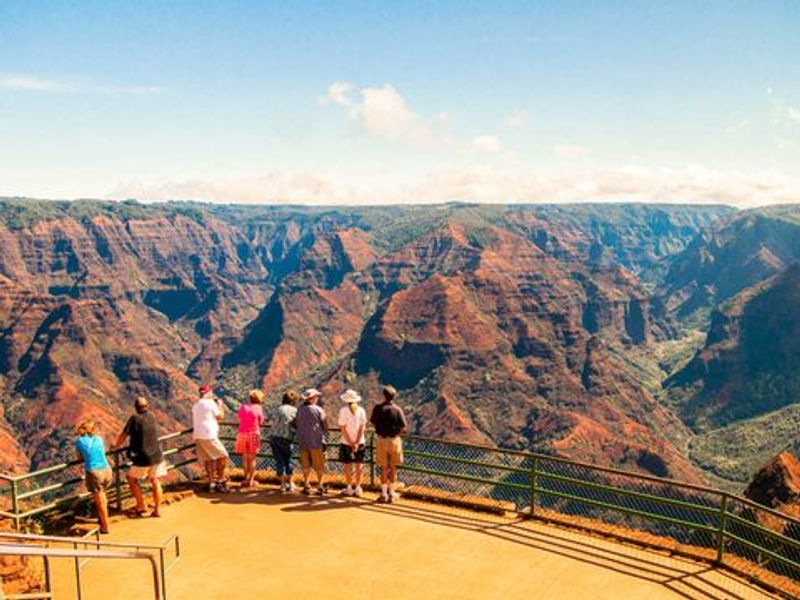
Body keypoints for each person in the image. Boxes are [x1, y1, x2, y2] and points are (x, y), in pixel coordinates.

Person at [115, 397, 167, 518]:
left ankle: (141, 505)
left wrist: (116, 446)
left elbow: (124, 435)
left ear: (136, 407)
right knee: (155, 480)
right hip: (157, 455)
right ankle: (157, 509)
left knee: (131, 479)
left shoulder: (134, 418)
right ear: (147, 406)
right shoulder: (152, 416)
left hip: (142, 457)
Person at [369, 385, 408, 503]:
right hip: (394, 440)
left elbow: (373, 423)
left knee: (384, 468)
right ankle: (391, 494)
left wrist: (380, 429)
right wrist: (396, 432)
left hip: (381, 440)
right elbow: (403, 426)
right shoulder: (398, 410)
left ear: (384, 396)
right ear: (394, 396)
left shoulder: (378, 409)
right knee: (393, 468)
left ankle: (384, 494)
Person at [75, 420, 112, 533]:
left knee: (100, 501)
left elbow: (79, 458)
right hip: (107, 469)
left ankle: (105, 527)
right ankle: (102, 520)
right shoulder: (99, 439)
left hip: (95, 472)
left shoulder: (79, 441)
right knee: (102, 496)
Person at [192, 384, 230, 493]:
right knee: (223, 456)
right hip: (209, 435)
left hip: (198, 435)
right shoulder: (211, 403)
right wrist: (220, 405)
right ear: (208, 393)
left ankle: (211, 483)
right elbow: (221, 417)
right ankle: (221, 482)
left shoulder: (196, 405)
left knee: (208, 458)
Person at [295, 388, 328, 495]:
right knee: (319, 465)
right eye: (316, 396)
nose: (317, 398)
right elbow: (325, 426)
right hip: (316, 441)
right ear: (312, 398)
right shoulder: (318, 410)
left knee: (305, 465)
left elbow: (295, 423)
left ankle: (306, 485)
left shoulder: (299, 409)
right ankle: (320, 485)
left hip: (303, 441)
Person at [337, 389, 367, 497]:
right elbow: (362, 427)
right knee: (359, 465)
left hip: (346, 443)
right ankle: (358, 488)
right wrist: (357, 442)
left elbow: (343, 428)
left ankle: (349, 488)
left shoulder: (343, 411)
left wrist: (350, 442)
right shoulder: (361, 410)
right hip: (360, 442)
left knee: (347, 465)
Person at [269, 390, 299, 492]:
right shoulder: (294, 411)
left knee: (279, 460)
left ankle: (282, 484)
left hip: (273, 437)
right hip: (286, 438)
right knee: (288, 460)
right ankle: (290, 483)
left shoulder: (277, 409)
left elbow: (271, 420)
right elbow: (296, 424)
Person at [234, 390, 265, 488]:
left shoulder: (243, 407)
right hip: (253, 433)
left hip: (242, 433)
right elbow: (260, 421)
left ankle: (245, 479)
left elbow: (240, 417)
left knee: (244, 458)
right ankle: (251, 480)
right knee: (252, 459)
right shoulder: (258, 408)